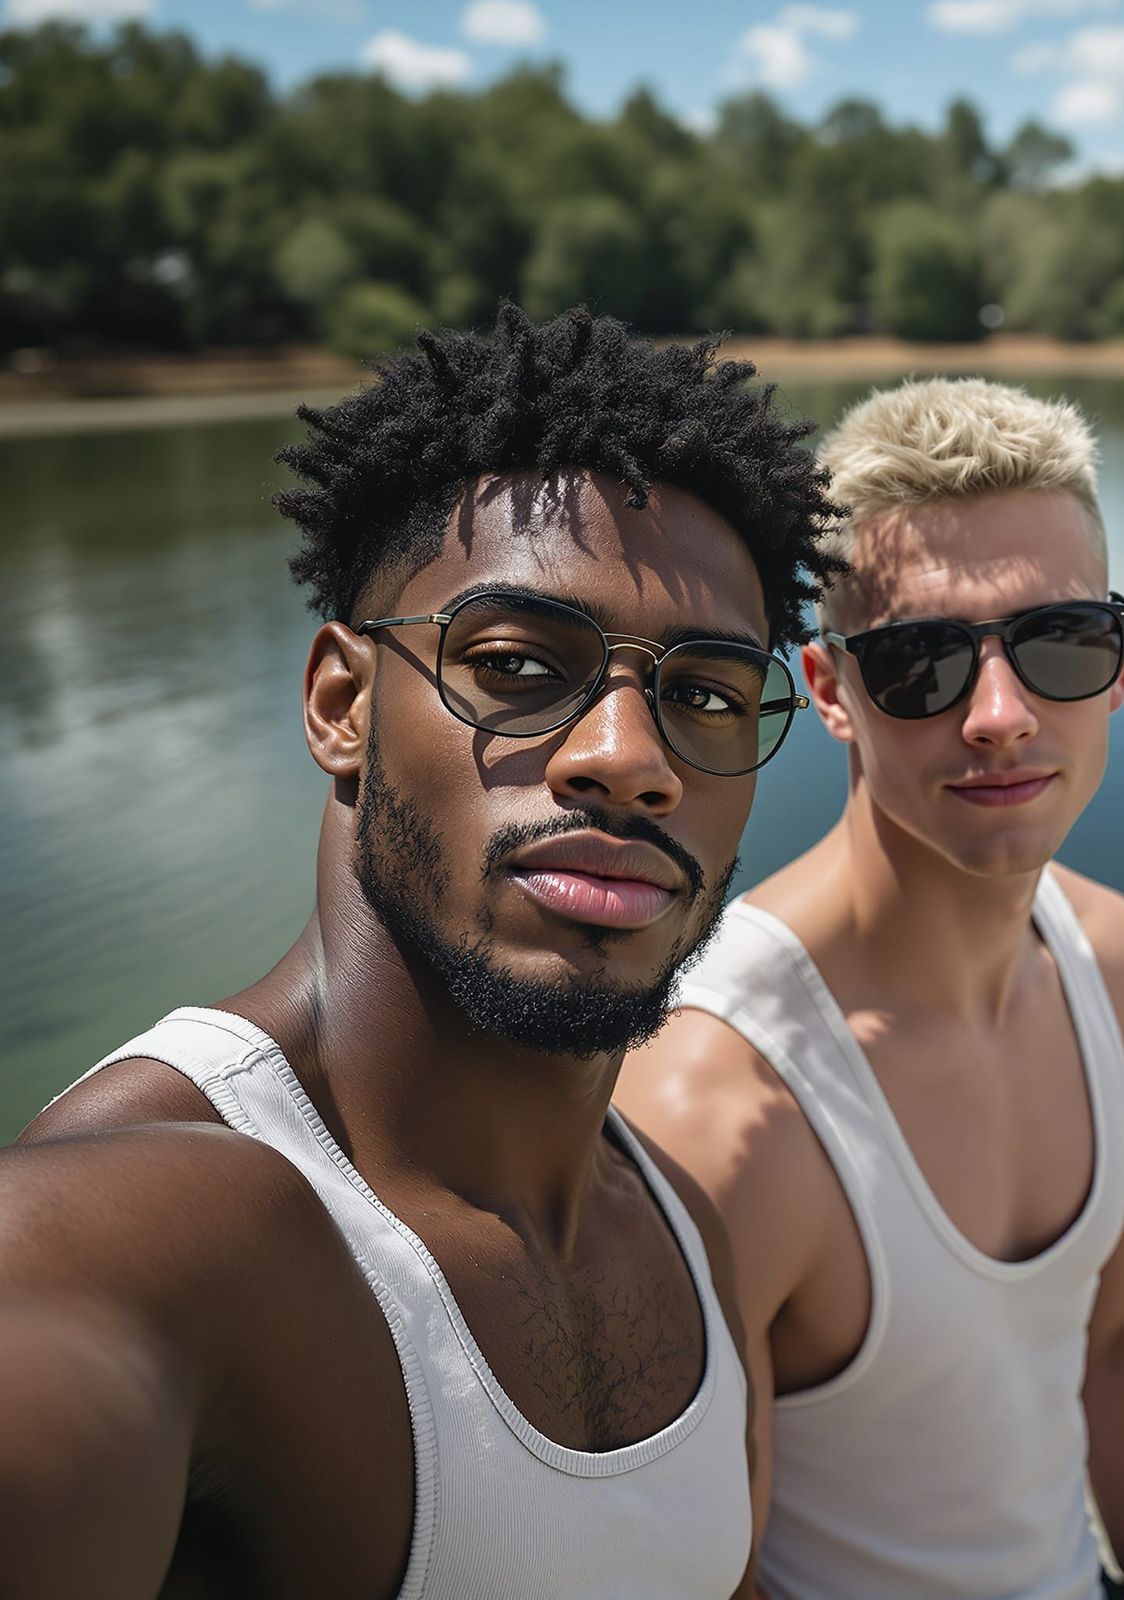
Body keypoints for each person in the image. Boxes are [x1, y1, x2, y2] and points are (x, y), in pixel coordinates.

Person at [0, 304, 843, 1599]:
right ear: (342, 704)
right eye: (515, 664)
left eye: (708, 693)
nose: (629, 758)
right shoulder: (166, 1229)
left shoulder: (680, 1226)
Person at [618, 377, 1124, 1600]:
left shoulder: (1112, 956)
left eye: (1059, 645)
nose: (998, 717)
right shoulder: (719, 1105)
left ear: (1120, 661)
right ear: (829, 690)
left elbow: (1119, 1337)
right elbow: (715, 1571)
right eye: (920, 663)